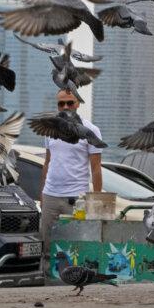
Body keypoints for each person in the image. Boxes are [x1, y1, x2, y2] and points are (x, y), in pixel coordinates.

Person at [39, 88, 103, 272]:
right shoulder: (50, 129)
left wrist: (96, 201)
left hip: (76, 198)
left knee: (75, 246)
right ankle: (46, 281)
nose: (65, 107)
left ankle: (75, 283)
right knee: (46, 246)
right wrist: (42, 194)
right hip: (50, 196)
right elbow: (47, 162)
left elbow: (96, 168)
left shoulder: (91, 130)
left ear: (78, 103)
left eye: (70, 103)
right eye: (61, 103)